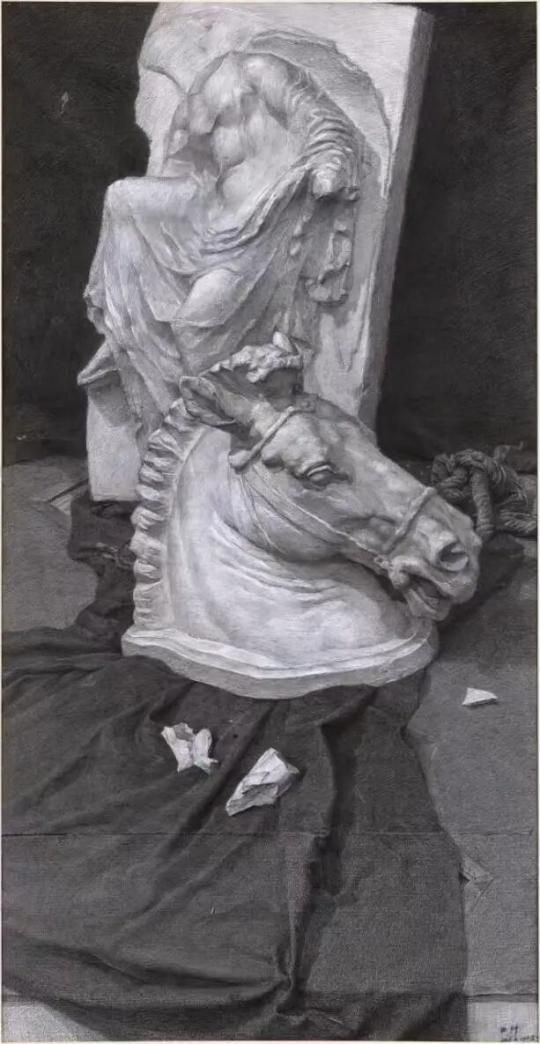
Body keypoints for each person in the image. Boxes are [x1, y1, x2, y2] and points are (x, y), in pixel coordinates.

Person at [84, 50, 366, 447]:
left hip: (260, 219)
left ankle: (220, 431)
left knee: (194, 328)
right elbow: (185, 163)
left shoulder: (259, 69)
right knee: (122, 197)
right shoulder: (198, 83)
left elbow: (321, 119)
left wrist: (329, 166)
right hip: (210, 206)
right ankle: (133, 337)